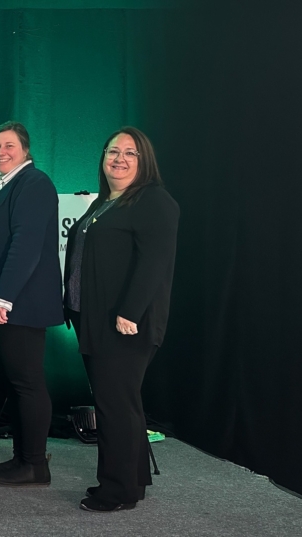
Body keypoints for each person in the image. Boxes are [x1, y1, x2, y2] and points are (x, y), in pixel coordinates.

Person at [63, 127, 179, 512]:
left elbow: (154, 263)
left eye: (130, 153)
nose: (120, 159)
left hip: (125, 324)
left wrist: (131, 311)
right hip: (94, 319)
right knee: (119, 402)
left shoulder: (154, 201)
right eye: (113, 151)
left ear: (144, 161)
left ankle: (118, 490)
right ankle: (133, 480)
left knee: (115, 406)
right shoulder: (105, 202)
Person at [0, 121, 63, 487]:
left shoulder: (33, 183)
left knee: (27, 383)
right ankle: (22, 458)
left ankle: (34, 463)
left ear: (25, 149)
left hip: (17, 305)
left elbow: (26, 244)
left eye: (9, 145)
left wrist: (3, 297)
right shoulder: (4, 186)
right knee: (15, 383)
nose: (1, 151)